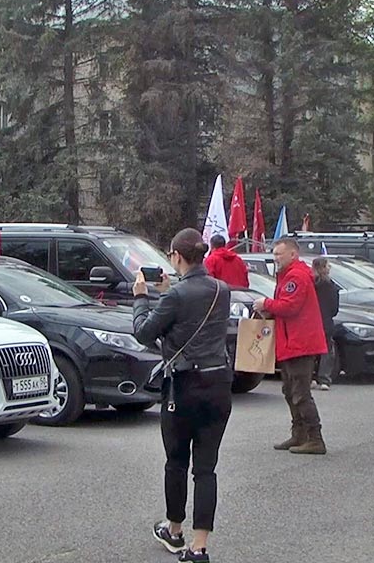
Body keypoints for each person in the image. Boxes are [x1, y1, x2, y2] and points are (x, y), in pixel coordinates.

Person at [133, 228, 233, 562]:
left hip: (184, 387)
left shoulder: (174, 297)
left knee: (176, 460)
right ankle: (199, 545)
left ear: (176, 256)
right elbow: (196, 313)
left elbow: (144, 332)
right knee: (206, 468)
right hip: (218, 384)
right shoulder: (222, 289)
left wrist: (141, 297)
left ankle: (174, 530)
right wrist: (168, 291)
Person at [253, 238, 328, 454]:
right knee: (289, 390)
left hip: (299, 343)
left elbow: (290, 306)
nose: (275, 258)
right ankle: (299, 434)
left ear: (293, 254)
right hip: (291, 342)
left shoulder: (296, 276)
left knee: (300, 392)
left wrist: (265, 304)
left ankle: (315, 438)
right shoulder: (289, 275)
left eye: (279, 254)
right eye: (274, 254)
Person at [311, 257, 340, 390]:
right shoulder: (330, 286)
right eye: (328, 266)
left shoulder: (310, 284)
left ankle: (311, 378)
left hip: (311, 321)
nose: (330, 268)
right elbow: (334, 309)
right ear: (323, 268)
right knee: (327, 351)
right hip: (326, 322)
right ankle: (324, 379)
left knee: (311, 351)